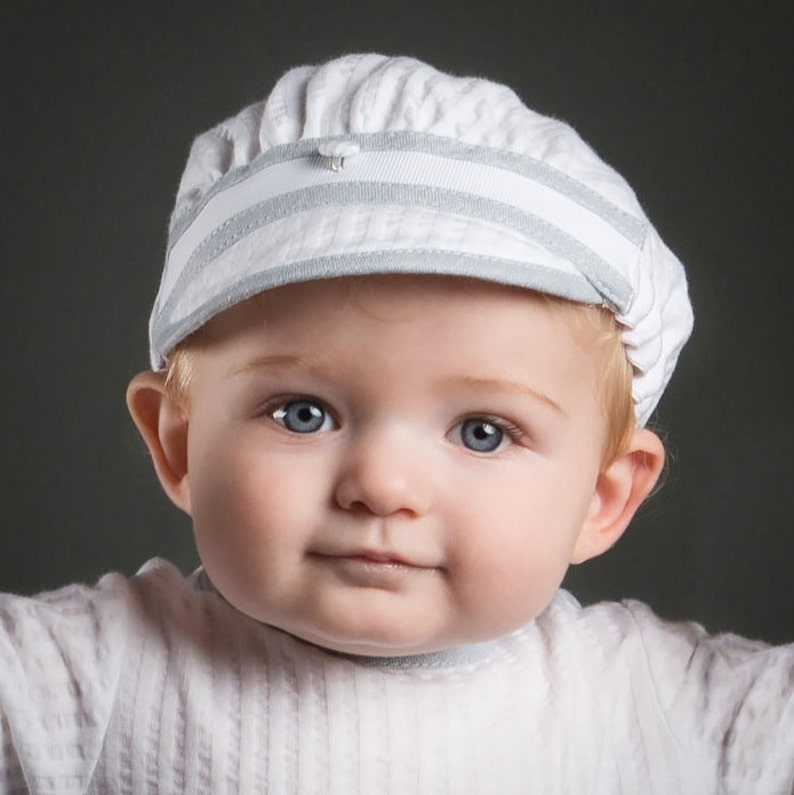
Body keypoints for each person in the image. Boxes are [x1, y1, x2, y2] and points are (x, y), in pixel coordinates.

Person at [1, 53, 791, 794]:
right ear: (178, 444)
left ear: (601, 496)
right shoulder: (86, 679)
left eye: (483, 430)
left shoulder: (669, 708)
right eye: (302, 414)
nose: (381, 485)